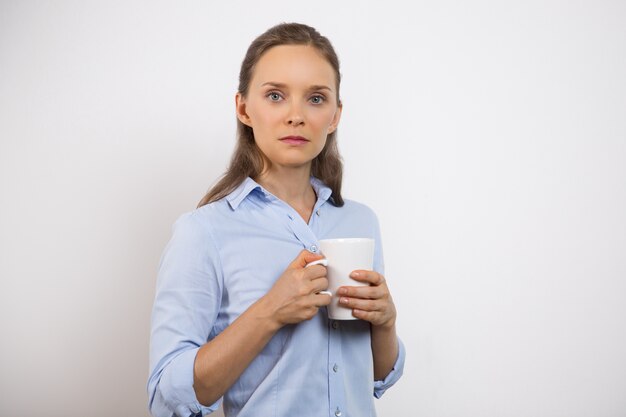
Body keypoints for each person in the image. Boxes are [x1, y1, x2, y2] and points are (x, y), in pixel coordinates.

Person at [148, 22, 405, 417]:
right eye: (275, 95)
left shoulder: (360, 221)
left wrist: (385, 323)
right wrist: (270, 311)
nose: (296, 116)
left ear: (335, 115)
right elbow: (168, 397)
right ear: (244, 108)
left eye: (316, 99)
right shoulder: (203, 233)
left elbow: (377, 378)